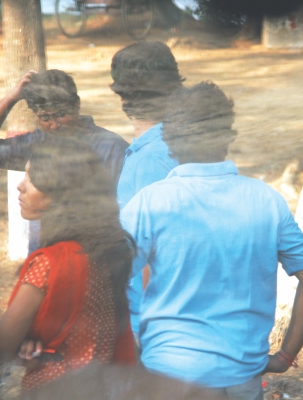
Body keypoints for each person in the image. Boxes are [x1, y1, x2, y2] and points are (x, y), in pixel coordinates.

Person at [120, 82, 303, 399]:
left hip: (169, 376)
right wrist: (285, 356)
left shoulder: (149, 203)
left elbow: (106, 276)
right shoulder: (266, 200)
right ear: (228, 136)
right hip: (242, 376)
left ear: (169, 140)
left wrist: (131, 345)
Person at [0, 143, 136, 392]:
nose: (20, 185)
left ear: (62, 194)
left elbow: (1, 345)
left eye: (32, 179)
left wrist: (24, 344)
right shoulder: (106, 251)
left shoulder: (49, 263)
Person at [0, 69, 129, 253]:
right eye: (45, 117)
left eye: (61, 114)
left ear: (76, 105)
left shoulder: (111, 147)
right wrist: (11, 98)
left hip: (95, 252)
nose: (54, 124)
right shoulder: (39, 143)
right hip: (47, 253)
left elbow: (126, 210)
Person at [109, 41, 184, 336]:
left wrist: (146, 329)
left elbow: (154, 247)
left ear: (123, 97)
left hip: (150, 320)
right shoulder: (174, 143)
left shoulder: (149, 160)